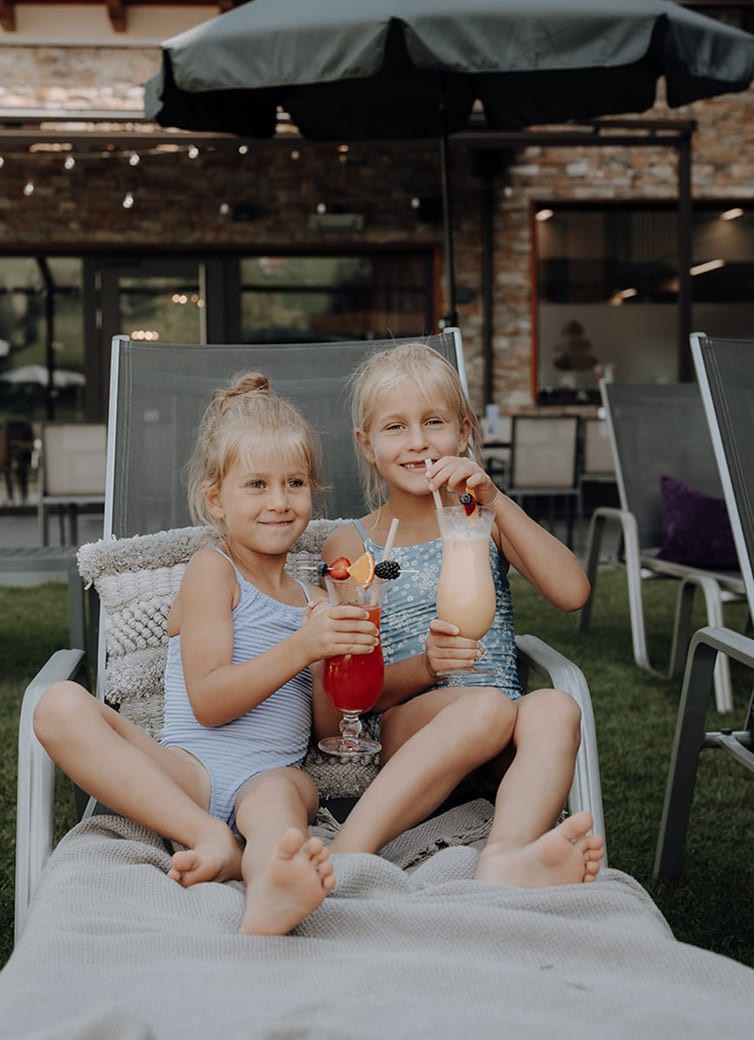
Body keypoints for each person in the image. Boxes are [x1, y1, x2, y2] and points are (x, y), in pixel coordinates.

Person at [33, 372, 383, 936]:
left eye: (294, 483)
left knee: (285, 800)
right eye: (257, 485)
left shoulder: (315, 601)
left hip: (269, 774)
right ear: (216, 500)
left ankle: (272, 883)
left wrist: (327, 658)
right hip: (187, 775)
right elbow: (210, 703)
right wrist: (302, 646)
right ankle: (207, 836)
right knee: (57, 707)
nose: (279, 501)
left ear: (313, 491)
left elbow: (325, 727)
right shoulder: (212, 572)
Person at [321, 342, 605, 887]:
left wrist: (496, 502)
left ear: (464, 432)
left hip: (502, 730)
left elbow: (572, 591)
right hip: (411, 730)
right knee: (485, 710)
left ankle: (505, 858)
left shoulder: (484, 520)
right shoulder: (355, 545)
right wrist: (425, 667)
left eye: (434, 422)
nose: (419, 442)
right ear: (367, 444)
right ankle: (345, 853)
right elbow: (352, 692)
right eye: (395, 427)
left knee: (554, 707)